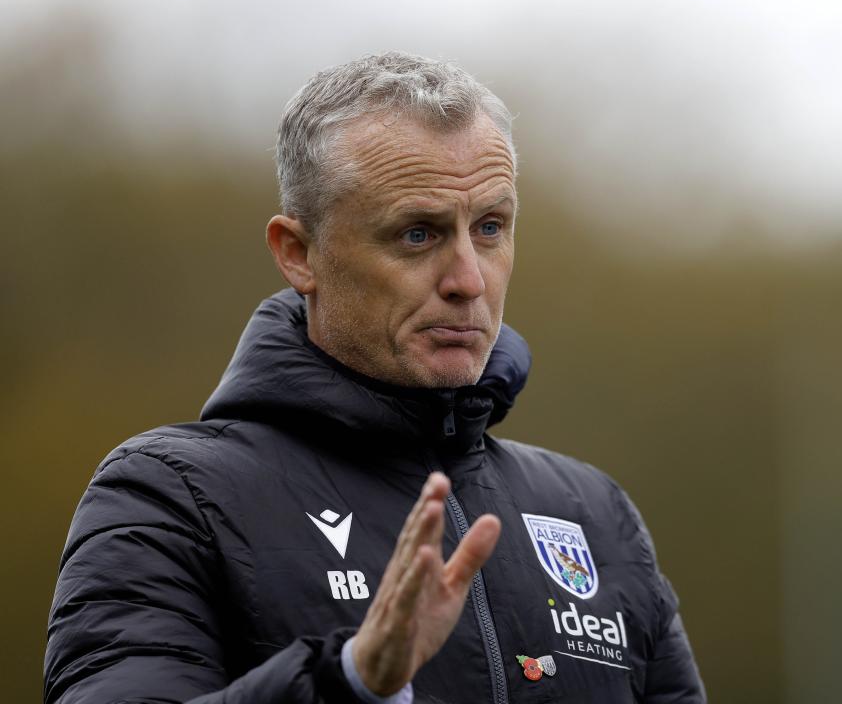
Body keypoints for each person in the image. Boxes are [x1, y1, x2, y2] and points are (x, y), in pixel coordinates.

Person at [44, 52, 706, 703]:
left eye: (490, 228)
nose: (468, 280)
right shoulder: (169, 499)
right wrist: (350, 681)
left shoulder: (591, 513)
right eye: (417, 234)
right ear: (299, 253)